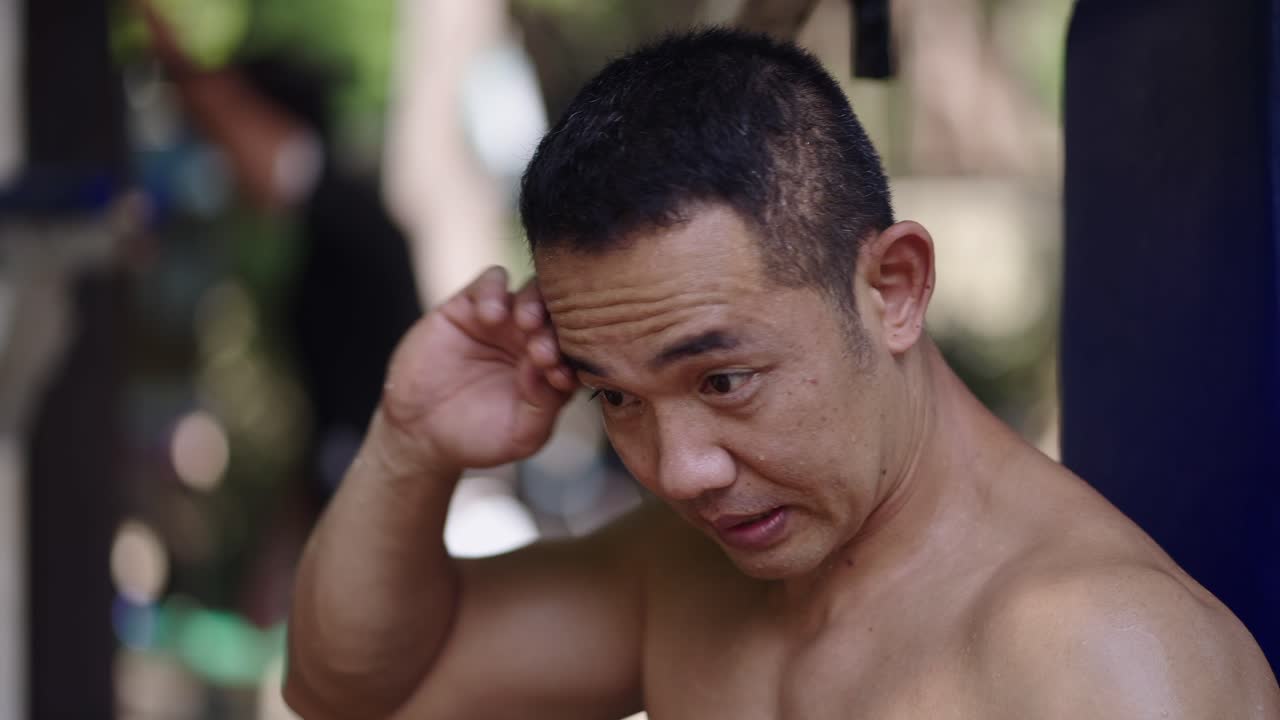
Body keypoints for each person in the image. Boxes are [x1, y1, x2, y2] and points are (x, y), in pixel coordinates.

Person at [284, 29, 1280, 719]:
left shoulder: (1103, 660)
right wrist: (409, 442)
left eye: (723, 380)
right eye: (616, 397)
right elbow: (353, 692)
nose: (680, 472)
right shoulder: (682, 577)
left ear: (893, 287)